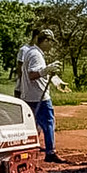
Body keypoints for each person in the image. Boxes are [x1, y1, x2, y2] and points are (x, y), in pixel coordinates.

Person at [22, 29, 66, 163]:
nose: (51, 45)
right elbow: (33, 75)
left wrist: (57, 81)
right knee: (48, 123)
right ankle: (50, 152)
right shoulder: (36, 55)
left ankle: (31, 150)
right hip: (38, 96)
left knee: (34, 125)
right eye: (51, 42)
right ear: (45, 41)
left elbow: (42, 74)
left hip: (30, 95)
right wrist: (46, 70)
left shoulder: (32, 52)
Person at [14, 29, 39, 98]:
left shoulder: (37, 51)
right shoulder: (24, 49)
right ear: (36, 37)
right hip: (22, 87)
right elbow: (19, 67)